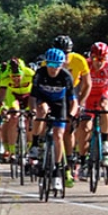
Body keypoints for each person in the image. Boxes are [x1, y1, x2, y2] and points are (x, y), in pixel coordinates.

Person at [29, 48, 79, 191]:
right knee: (42, 110)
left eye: (57, 65)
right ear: (46, 63)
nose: (53, 68)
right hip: (43, 100)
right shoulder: (40, 73)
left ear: (62, 65)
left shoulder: (66, 76)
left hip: (59, 103)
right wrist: (33, 111)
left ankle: (57, 172)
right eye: (50, 64)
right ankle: (35, 143)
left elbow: (73, 100)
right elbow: (32, 96)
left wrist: (72, 115)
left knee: (58, 135)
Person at [74, 42, 108, 179]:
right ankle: (82, 161)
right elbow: (77, 86)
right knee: (84, 128)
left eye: (102, 59)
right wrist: (77, 103)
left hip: (103, 94)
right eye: (95, 59)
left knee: (106, 108)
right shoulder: (85, 66)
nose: (99, 62)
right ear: (91, 57)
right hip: (88, 95)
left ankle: (105, 142)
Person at [53, 35, 92, 174]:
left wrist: (81, 103)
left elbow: (88, 84)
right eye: (62, 53)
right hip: (54, 90)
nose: (65, 56)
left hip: (72, 91)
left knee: (69, 126)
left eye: (67, 53)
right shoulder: (50, 60)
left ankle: (69, 159)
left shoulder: (79, 60)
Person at [0, 58, 36, 161]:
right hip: (13, 95)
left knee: (31, 119)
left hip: (28, 95)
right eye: (13, 78)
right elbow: (2, 95)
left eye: (18, 77)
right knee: (14, 118)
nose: (16, 80)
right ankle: (12, 151)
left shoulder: (30, 73)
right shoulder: (5, 77)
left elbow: (39, 88)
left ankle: (30, 148)